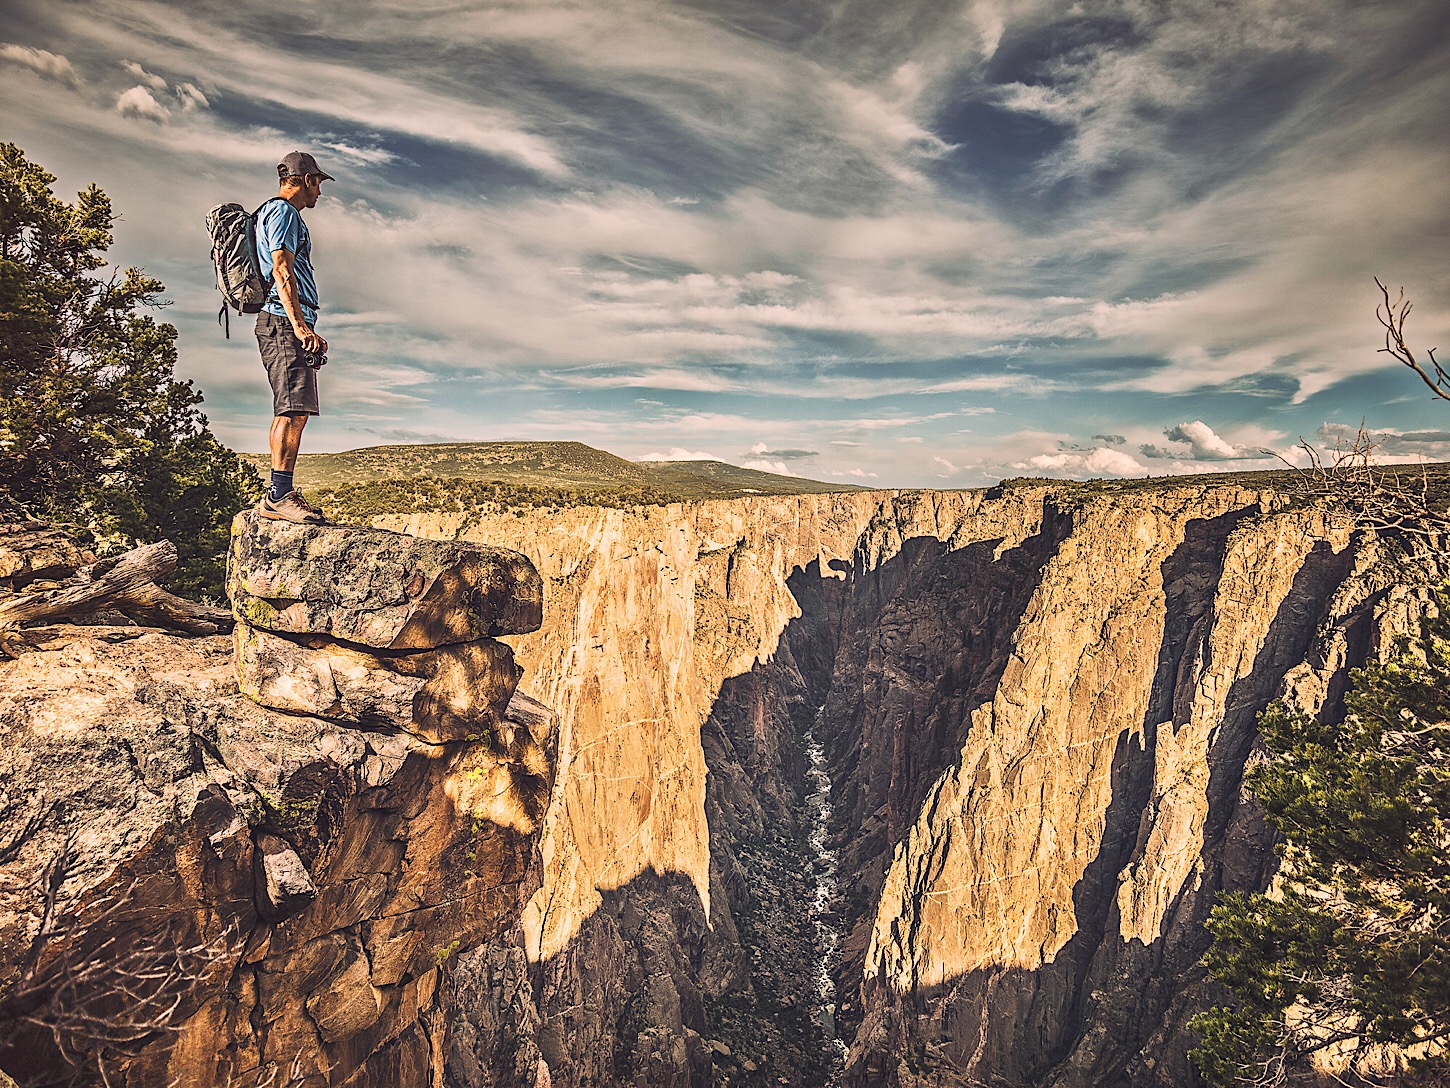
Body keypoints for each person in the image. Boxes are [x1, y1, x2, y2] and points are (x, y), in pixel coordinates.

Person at [255, 150, 333, 523]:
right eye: (319, 183)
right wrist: (300, 326)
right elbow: (281, 268)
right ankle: (279, 496)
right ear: (306, 180)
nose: (320, 192)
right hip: (283, 322)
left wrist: (305, 324)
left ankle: (278, 491)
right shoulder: (283, 213)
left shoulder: (274, 214)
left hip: (282, 320)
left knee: (290, 407)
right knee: (293, 409)